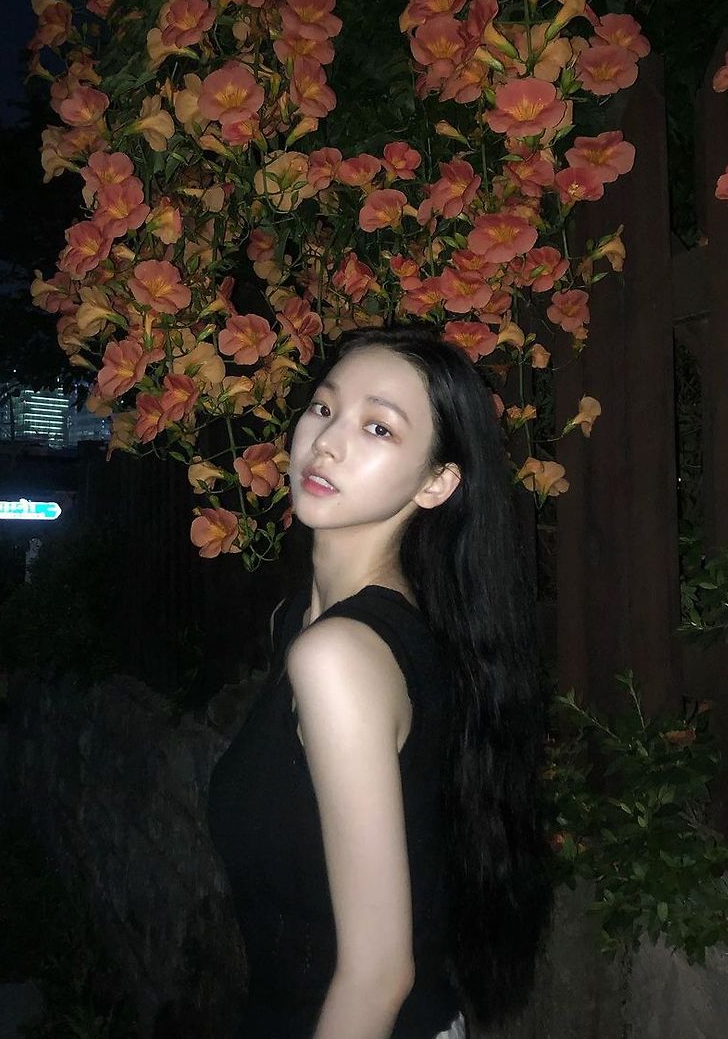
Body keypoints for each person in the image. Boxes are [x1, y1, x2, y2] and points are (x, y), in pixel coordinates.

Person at [206, 324, 555, 1039]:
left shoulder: (340, 657)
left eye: (378, 428)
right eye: (324, 408)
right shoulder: (303, 623)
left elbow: (377, 975)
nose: (327, 443)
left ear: (437, 483)